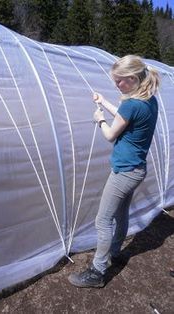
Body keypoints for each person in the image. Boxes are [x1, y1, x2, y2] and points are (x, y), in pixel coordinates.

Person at [68, 55, 160, 288]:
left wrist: (99, 119)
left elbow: (111, 134)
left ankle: (97, 272)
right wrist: (104, 101)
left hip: (124, 172)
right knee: (121, 214)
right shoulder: (149, 99)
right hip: (137, 169)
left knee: (102, 220)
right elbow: (124, 117)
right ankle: (116, 252)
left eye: (119, 81)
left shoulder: (132, 104)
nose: (116, 84)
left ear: (131, 79)